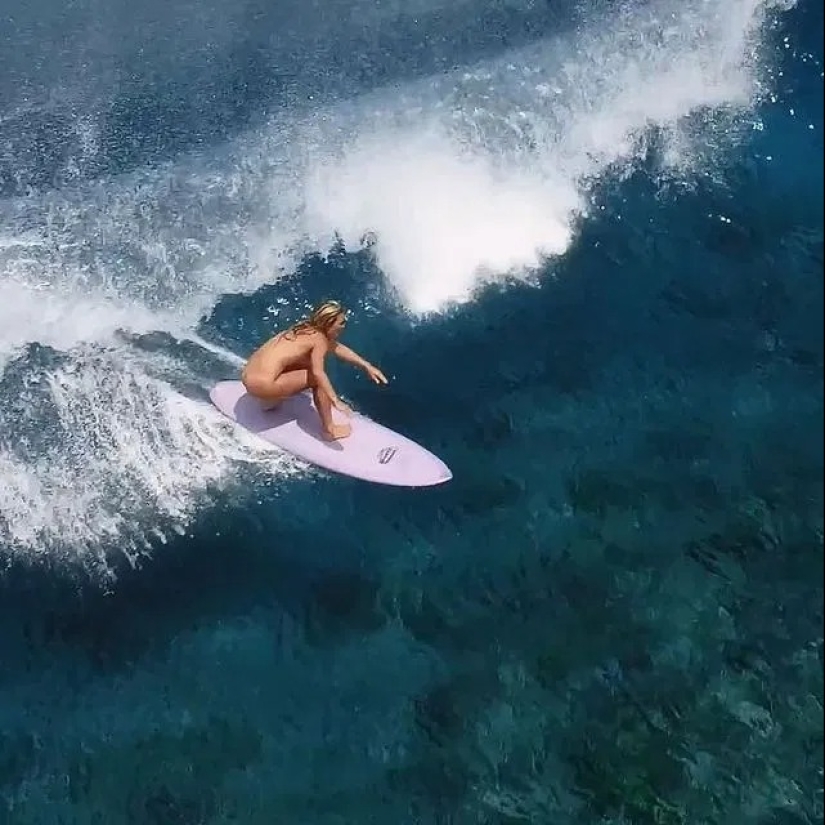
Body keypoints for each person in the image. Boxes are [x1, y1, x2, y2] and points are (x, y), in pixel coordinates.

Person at [240, 300, 388, 441]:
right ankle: (329, 430)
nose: (344, 326)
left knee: (302, 363)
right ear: (329, 324)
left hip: (248, 376)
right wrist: (335, 400)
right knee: (317, 380)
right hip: (263, 386)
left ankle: (268, 401)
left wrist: (366, 365)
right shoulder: (319, 340)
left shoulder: (303, 329)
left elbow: (336, 347)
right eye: (341, 323)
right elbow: (318, 373)